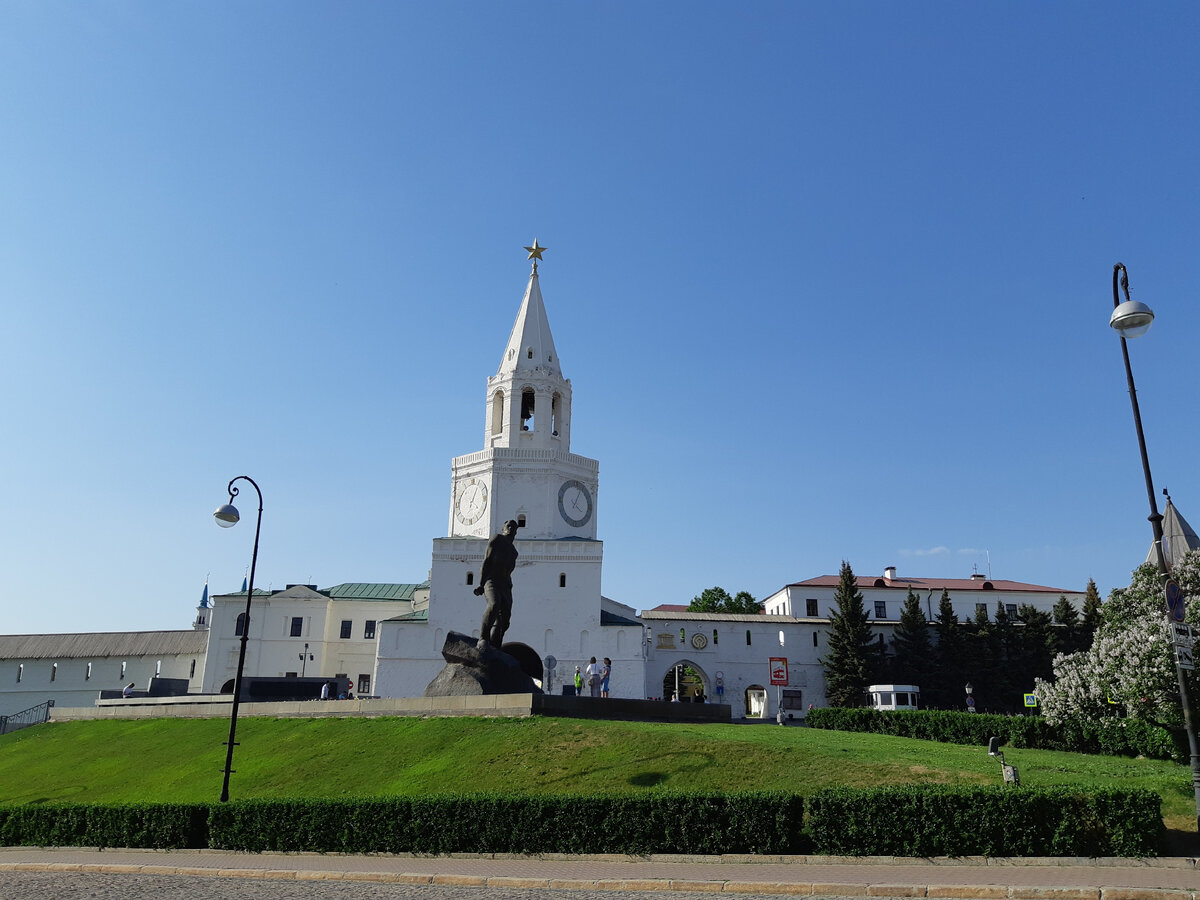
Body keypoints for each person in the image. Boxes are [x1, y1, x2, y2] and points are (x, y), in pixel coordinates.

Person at [473, 519, 521, 648]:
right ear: (503, 529)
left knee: (505, 620)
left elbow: (509, 571)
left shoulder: (514, 552)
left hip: (505, 585)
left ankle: (495, 646)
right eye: (508, 526)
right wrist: (481, 583)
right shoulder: (497, 539)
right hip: (492, 581)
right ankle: (483, 638)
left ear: (516, 532)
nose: (510, 528)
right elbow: (487, 561)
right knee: (494, 604)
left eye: (513, 527)